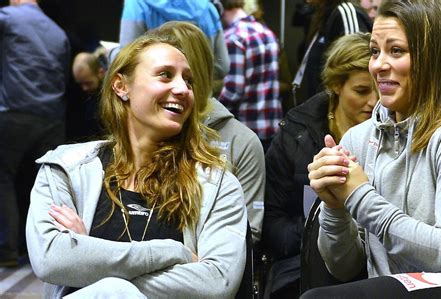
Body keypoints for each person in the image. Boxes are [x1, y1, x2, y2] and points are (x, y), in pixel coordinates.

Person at [25, 33, 247, 298]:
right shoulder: (66, 167)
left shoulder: (218, 184)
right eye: (165, 75)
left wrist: (88, 260)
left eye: (188, 80)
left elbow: (216, 284)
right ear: (121, 86)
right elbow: (51, 259)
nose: (183, 89)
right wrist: (173, 253)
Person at [304, 0, 441, 297]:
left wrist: (359, 197)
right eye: (374, 51)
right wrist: (334, 207)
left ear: (434, 58)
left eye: (396, 51)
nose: (378, 65)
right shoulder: (358, 138)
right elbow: (342, 267)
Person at [262, 32, 377, 298]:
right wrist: (315, 228)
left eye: (378, 90)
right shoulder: (296, 134)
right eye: (361, 91)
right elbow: (271, 218)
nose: (373, 102)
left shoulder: (388, 136)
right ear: (336, 85)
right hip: (299, 268)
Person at [151, 21, 265, 244]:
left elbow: (250, 231)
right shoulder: (143, 131)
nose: (176, 88)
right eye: (163, 74)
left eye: (183, 76)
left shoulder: (241, 142)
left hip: (210, 266)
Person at [0, 0, 70, 267]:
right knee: (47, 184)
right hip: (52, 118)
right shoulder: (58, 33)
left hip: (14, 112)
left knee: (3, 179)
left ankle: (6, 251)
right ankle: (48, 249)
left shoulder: (8, 17)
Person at [219, 0, 283, 151]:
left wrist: (209, 112)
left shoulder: (233, 38)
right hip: (273, 127)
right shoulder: (266, 32)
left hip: (247, 130)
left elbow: (233, 91)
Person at [119, 0, 230, 80]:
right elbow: (222, 66)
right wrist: (195, 75)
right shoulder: (208, 8)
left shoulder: (136, 5)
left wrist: (110, 53)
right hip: (200, 103)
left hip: (155, 104)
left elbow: (126, 62)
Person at [294, 0, 372, 103]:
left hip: (342, 113)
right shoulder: (322, 14)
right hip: (322, 109)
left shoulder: (345, 11)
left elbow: (358, 76)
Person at [71, 48, 107, 139]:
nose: (84, 88)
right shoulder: (80, 95)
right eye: (80, 84)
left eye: (88, 83)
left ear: (101, 73)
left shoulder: (110, 96)